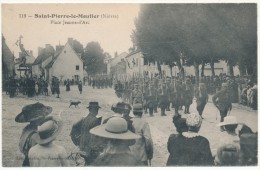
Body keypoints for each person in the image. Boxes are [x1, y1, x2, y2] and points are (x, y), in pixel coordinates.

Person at [15, 102, 53, 166]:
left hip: (26, 159)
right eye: (43, 116)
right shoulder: (35, 136)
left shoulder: (27, 128)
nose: (45, 118)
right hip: (32, 162)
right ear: (38, 119)